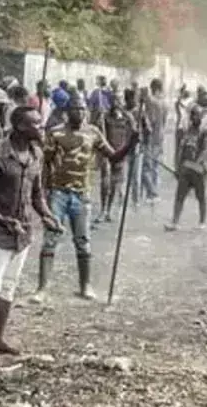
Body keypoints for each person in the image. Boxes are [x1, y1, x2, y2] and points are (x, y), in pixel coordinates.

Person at [0, 106, 62, 367]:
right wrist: (1, 218)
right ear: (20, 126)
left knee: (9, 286)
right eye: (35, 124)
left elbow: (36, 194)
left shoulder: (36, 155)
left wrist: (47, 215)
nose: (40, 128)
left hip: (22, 234)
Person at [36, 93, 136, 301]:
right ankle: (42, 289)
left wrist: (131, 144)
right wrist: (44, 191)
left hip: (81, 194)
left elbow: (114, 156)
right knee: (50, 239)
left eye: (82, 108)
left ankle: (85, 286)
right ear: (67, 111)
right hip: (58, 192)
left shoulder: (94, 133)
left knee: (83, 241)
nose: (79, 112)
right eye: (75, 108)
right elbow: (45, 163)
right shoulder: (55, 133)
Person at [165, 104, 207, 231]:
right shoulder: (187, 131)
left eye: (198, 115)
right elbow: (181, 149)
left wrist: (196, 163)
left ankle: (202, 222)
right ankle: (174, 222)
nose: (196, 118)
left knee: (201, 197)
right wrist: (177, 167)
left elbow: (205, 150)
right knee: (179, 196)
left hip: (199, 170)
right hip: (185, 169)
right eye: (193, 115)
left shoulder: (205, 131)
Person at [96, 91, 136, 223]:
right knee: (105, 182)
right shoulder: (105, 117)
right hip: (107, 152)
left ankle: (108, 210)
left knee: (114, 184)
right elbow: (99, 133)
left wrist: (132, 144)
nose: (115, 103)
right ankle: (103, 210)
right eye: (113, 100)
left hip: (120, 154)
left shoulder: (127, 117)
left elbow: (135, 133)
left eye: (118, 101)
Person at [140, 79, 166, 204]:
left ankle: (152, 193)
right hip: (160, 137)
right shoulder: (164, 102)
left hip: (151, 138)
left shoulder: (152, 102)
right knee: (155, 167)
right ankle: (154, 193)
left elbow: (150, 122)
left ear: (153, 88)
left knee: (146, 168)